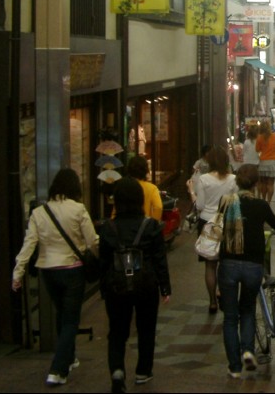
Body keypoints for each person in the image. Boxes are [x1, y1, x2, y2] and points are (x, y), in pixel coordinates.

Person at [12, 168, 99, 387]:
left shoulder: (39, 212)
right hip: (72, 269)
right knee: (70, 319)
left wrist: (18, 272)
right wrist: (101, 259)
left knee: (62, 314)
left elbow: (29, 244)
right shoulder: (78, 209)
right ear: (75, 187)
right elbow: (92, 242)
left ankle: (69, 358)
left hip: (48, 271)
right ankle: (57, 369)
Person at [218, 164, 275, 379]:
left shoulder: (227, 202)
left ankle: (234, 367)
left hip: (229, 263)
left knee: (230, 317)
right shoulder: (260, 205)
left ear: (237, 182)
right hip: (253, 265)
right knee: (248, 310)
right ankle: (248, 350)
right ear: (257, 183)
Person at [100, 176, 171, 393]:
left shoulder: (108, 227)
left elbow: (104, 262)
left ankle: (117, 371)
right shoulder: (150, 226)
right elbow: (160, 258)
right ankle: (143, 371)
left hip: (116, 286)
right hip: (146, 284)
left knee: (117, 330)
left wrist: (104, 288)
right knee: (146, 328)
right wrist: (165, 287)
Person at [192, 145, 238, 313]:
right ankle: (223, 293)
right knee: (226, 263)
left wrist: (192, 193)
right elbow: (235, 202)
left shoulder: (204, 179)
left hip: (207, 223)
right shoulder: (233, 179)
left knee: (210, 265)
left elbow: (200, 205)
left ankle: (212, 301)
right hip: (226, 222)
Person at [113, 155, 162, 221]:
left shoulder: (124, 186)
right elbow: (158, 207)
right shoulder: (152, 188)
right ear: (145, 170)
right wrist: (153, 224)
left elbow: (116, 208)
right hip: (144, 226)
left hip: (123, 226)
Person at [255, 119, 275, 203]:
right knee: (270, 185)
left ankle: (263, 199)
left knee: (263, 183)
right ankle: (269, 202)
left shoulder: (259, 137)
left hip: (263, 162)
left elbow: (257, 149)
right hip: (273, 161)